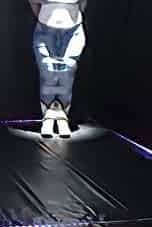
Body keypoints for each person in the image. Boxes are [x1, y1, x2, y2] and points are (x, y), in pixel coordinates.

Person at [28, 0, 88, 138]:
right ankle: (48, 116)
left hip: (73, 30)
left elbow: (83, 4)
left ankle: (62, 115)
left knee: (67, 73)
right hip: (46, 29)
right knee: (48, 73)